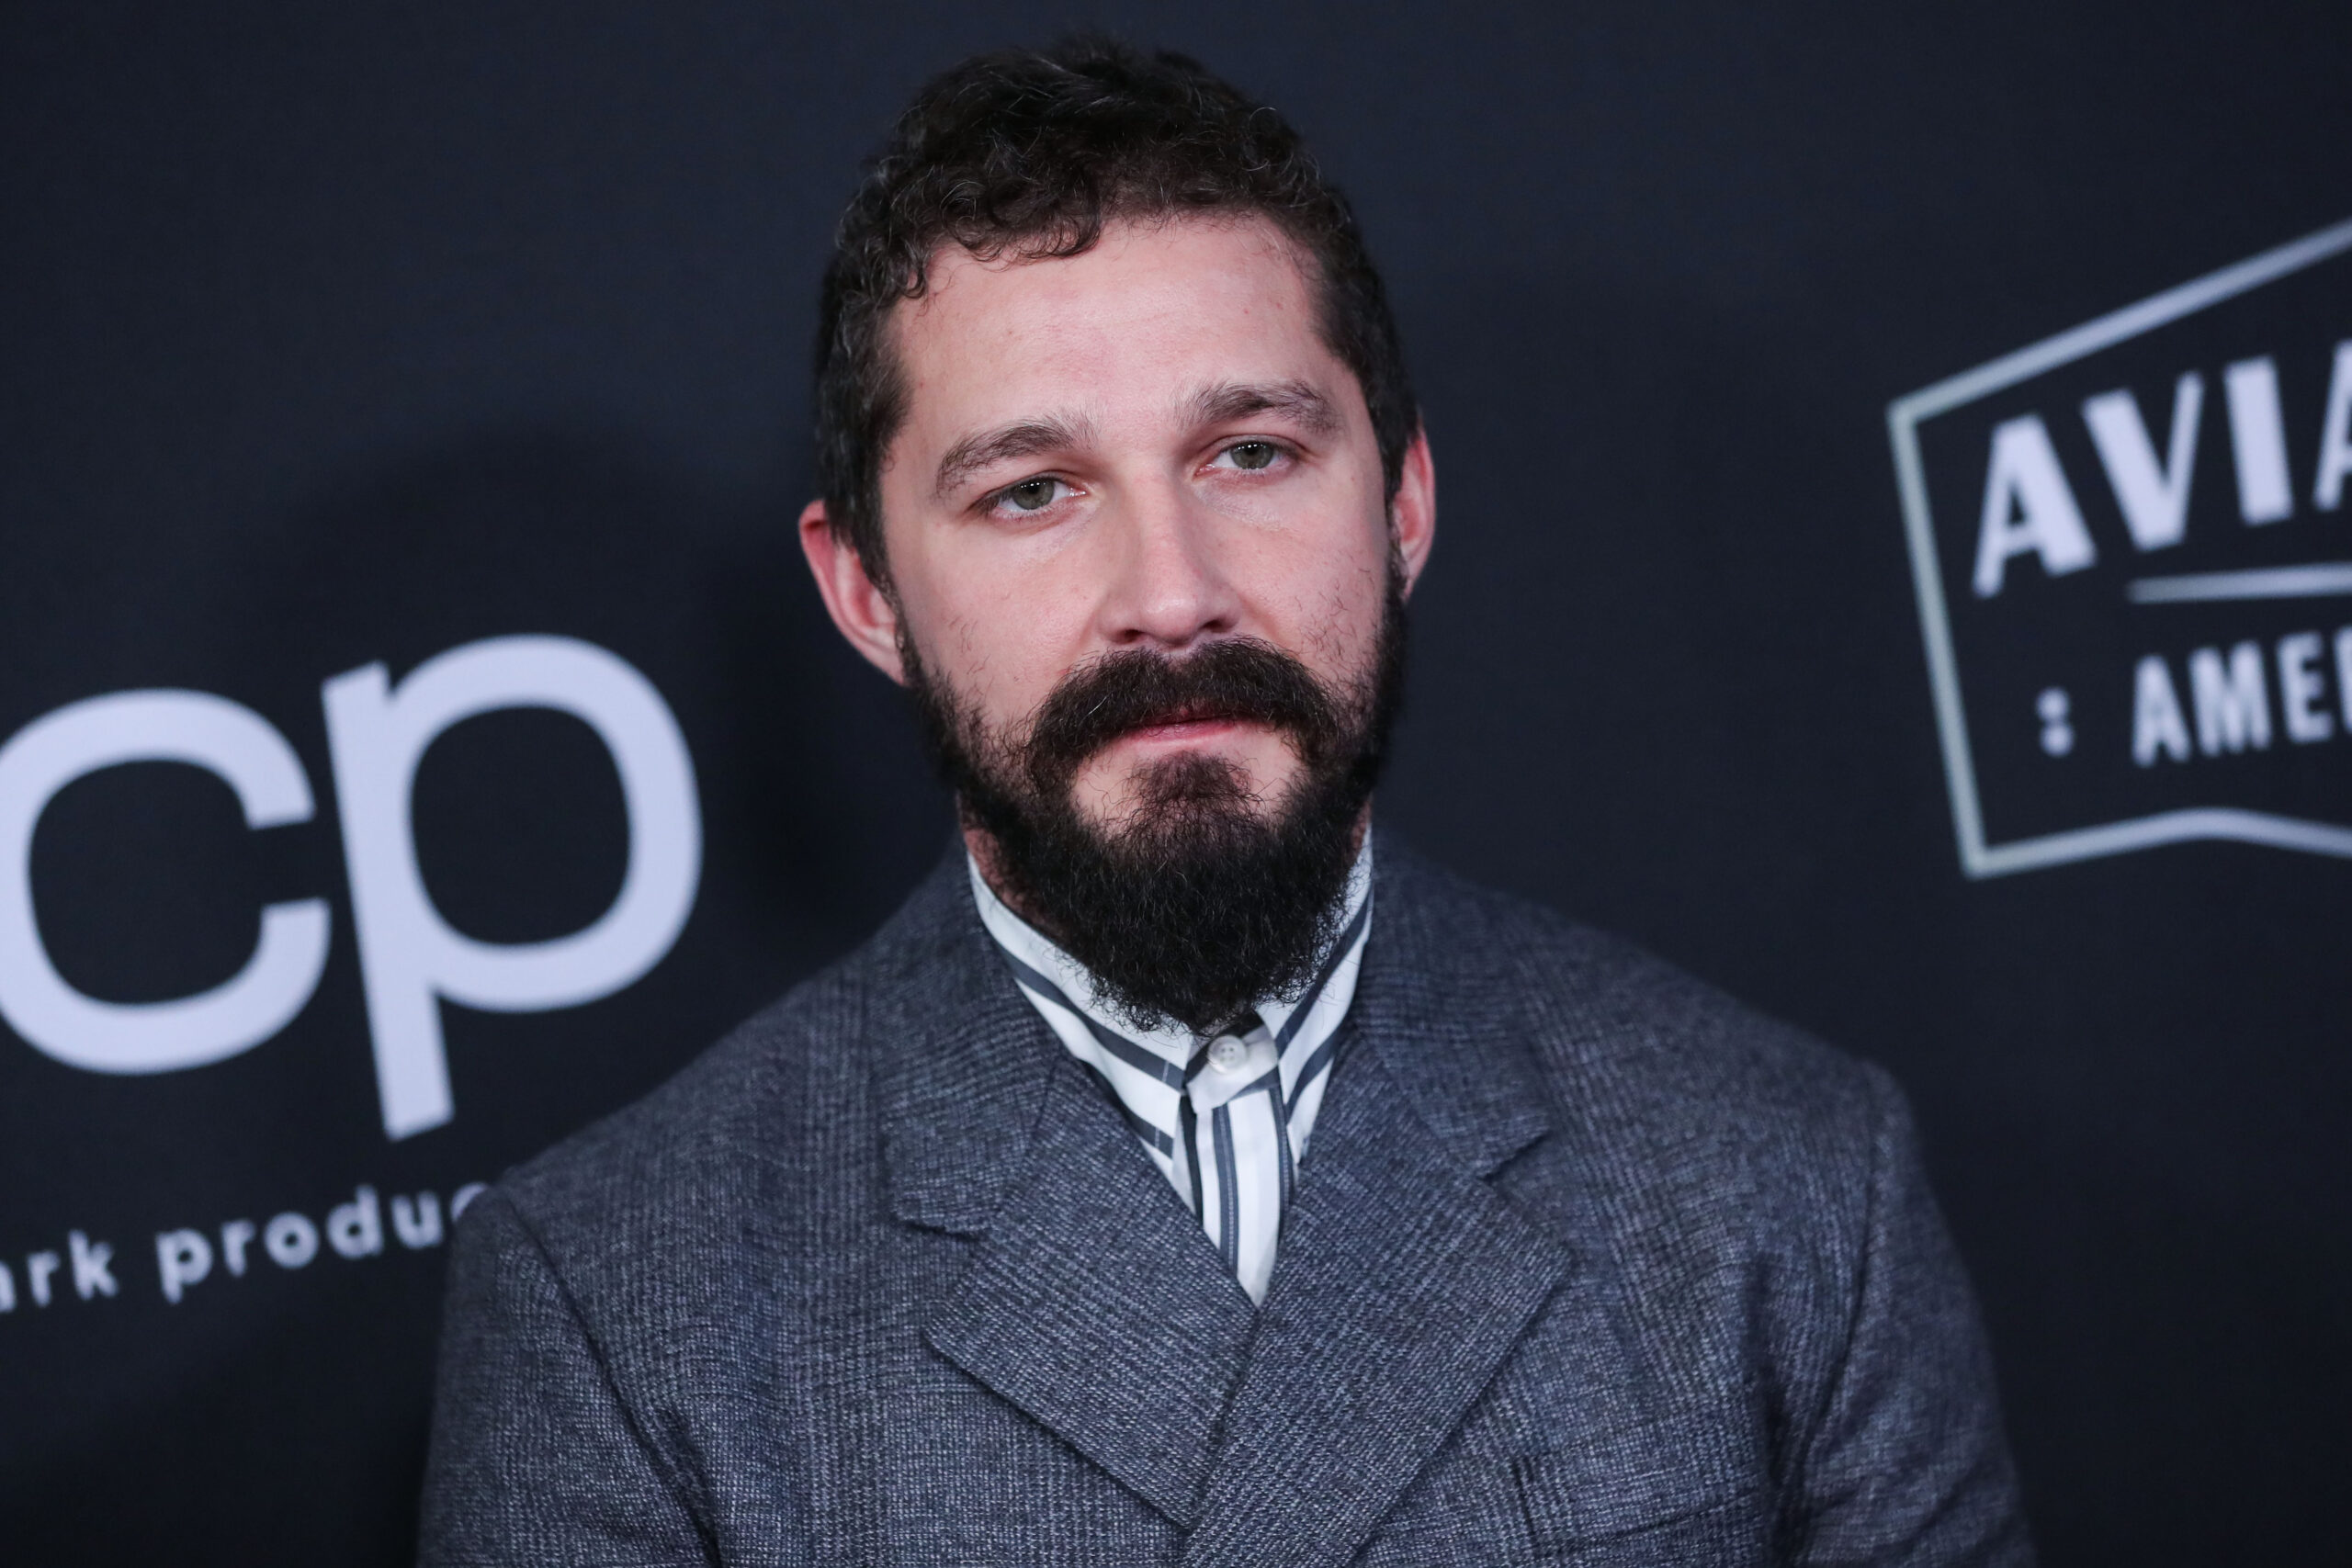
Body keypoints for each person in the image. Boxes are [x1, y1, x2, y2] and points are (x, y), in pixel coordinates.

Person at [418, 39, 2030, 1567]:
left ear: (1401, 504)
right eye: (1032, 492)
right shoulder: (611, 1306)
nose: (1171, 598)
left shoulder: (1790, 1179)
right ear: (866, 595)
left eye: (1250, 455)